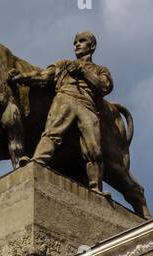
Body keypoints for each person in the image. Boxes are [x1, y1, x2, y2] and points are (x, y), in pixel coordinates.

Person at [11, 31, 113, 195]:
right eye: (75, 42)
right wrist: (22, 77)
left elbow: (103, 87)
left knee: (94, 149)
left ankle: (95, 188)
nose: (77, 45)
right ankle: (37, 162)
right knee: (52, 133)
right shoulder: (64, 64)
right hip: (65, 97)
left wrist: (83, 72)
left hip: (87, 105)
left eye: (82, 41)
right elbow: (43, 76)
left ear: (92, 46)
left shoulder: (100, 70)